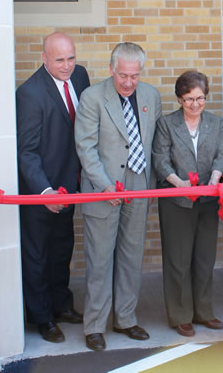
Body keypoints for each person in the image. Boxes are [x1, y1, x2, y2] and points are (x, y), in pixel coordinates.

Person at [74, 42, 162, 351]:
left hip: (138, 188)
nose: (128, 82)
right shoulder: (92, 97)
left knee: (131, 256)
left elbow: (152, 145)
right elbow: (85, 147)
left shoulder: (151, 96)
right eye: (122, 75)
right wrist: (103, 185)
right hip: (103, 190)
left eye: (134, 76)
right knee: (99, 260)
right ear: (111, 69)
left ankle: (125, 318)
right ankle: (95, 325)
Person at [16, 31, 90, 343]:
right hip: (41, 191)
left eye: (71, 58)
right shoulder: (30, 93)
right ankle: (42, 317)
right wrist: (43, 191)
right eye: (59, 59)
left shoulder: (81, 77)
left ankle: (62, 305)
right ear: (44, 58)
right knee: (38, 255)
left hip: (69, 185)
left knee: (63, 249)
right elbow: (27, 151)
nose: (67, 65)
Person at [152, 70, 223, 337]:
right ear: (179, 99)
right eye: (188, 99)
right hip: (177, 200)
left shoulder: (216, 123)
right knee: (178, 259)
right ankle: (180, 315)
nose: (195, 104)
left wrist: (216, 178)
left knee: (204, 258)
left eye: (200, 98)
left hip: (208, 200)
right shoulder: (166, 124)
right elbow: (160, 159)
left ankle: (204, 312)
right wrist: (178, 182)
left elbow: (222, 155)